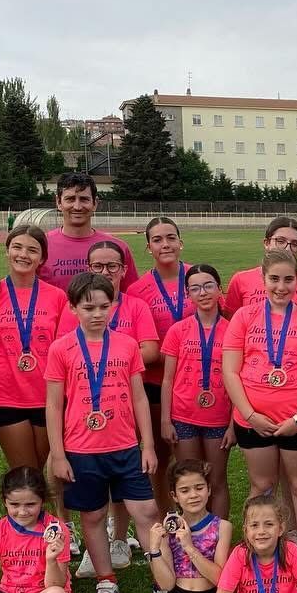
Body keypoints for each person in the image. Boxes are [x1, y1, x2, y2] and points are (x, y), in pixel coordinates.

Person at [45, 272, 160, 593]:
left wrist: (148, 445)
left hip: (124, 446)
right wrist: (57, 454)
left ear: (114, 306)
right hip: (81, 450)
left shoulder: (126, 344)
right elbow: (54, 404)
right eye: (88, 307)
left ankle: (162, 583)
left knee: (147, 511)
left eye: (104, 306)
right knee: (93, 516)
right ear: (73, 308)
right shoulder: (61, 348)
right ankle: (105, 581)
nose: (97, 314)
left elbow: (139, 397)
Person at [221, 250, 297, 558]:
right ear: (263, 279)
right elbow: (230, 370)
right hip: (253, 422)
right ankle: (257, 556)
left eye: (288, 279)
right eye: (274, 279)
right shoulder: (245, 316)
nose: (281, 287)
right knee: (261, 486)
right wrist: (250, 414)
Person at [65, 238, 160, 573]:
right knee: (92, 509)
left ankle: (130, 549)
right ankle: (102, 566)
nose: (96, 313)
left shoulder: (130, 328)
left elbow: (140, 387)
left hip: (123, 431)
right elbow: (58, 393)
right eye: (98, 266)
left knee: (140, 505)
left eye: (112, 266)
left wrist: (147, 444)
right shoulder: (66, 340)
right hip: (82, 436)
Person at [0, 224, 68, 508]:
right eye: (17, 247)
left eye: (32, 250)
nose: (23, 254)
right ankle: (32, 534)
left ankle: (53, 529)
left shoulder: (57, 297)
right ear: (7, 251)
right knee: (26, 474)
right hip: (6, 397)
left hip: (47, 397)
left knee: (44, 472)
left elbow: (63, 353)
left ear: (42, 258)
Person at [131, 459, 231, 593]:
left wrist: (189, 547)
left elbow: (220, 578)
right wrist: (155, 549)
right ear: (174, 496)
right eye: (185, 490)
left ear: (209, 490)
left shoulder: (222, 527)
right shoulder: (169, 528)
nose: (193, 495)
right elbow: (166, 583)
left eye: (199, 488)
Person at [125, 217, 189, 516]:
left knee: (191, 459)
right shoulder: (138, 290)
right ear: (148, 247)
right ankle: (166, 518)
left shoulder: (198, 277)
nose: (165, 244)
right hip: (154, 382)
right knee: (160, 457)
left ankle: (198, 520)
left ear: (180, 242)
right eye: (158, 240)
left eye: (170, 238)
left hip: (195, 383)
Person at [158, 264, 233, 520]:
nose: (203, 292)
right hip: (183, 416)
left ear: (219, 289)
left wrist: (234, 425)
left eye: (208, 285)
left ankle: (218, 536)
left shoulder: (233, 330)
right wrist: (166, 420)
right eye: (195, 288)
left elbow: (238, 381)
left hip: (219, 418)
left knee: (216, 480)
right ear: (187, 294)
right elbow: (167, 380)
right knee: (189, 482)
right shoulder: (178, 331)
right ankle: (190, 536)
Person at [41, 172, 140, 291]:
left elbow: (131, 296)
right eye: (70, 199)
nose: (77, 206)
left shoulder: (117, 247)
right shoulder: (41, 246)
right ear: (58, 202)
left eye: (84, 199)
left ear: (95, 203)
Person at [221, 216, 297, 315]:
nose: (287, 248)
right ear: (266, 243)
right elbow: (230, 320)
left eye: (295, 244)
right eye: (280, 241)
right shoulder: (240, 280)